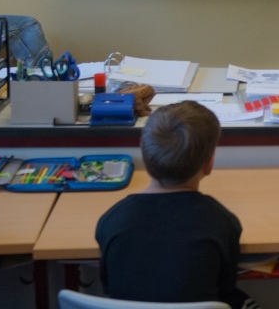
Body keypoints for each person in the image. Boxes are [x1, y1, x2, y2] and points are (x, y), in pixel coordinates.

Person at [95, 101, 259, 309]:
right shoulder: (222, 222)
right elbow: (225, 287)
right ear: (209, 163)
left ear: (144, 153)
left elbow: (109, 287)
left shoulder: (112, 220)